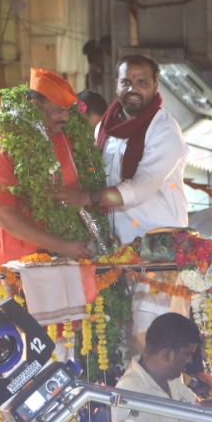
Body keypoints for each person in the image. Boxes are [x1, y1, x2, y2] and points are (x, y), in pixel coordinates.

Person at [53, 56, 189, 350]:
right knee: (124, 340)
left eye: (142, 82)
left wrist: (87, 198)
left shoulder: (164, 129)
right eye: (126, 82)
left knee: (153, 337)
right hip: (119, 250)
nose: (133, 89)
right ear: (117, 85)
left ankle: (163, 397)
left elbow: (140, 188)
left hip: (158, 246)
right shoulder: (107, 126)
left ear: (155, 85)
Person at [0, 68, 97, 265]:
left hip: (67, 263)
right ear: (35, 106)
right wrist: (62, 246)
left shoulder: (64, 138)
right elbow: (4, 215)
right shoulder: (4, 148)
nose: (66, 118)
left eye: (67, 111)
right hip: (21, 269)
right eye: (58, 110)